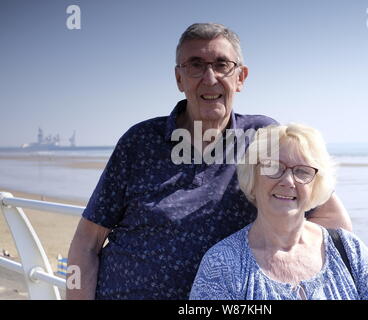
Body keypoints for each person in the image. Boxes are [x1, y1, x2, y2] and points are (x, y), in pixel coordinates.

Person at [67, 23, 352, 300]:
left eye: (221, 64)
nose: (210, 77)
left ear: (241, 77)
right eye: (195, 65)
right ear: (179, 78)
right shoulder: (139, 141)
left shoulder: (262, 137)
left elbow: (331, 219)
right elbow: (86, 242)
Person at [189, 124, 368, 300]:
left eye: (302, 171)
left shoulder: (351, 250)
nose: (288, 181)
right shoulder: (221, 265)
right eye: (273, 166)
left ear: (316, 185)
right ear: (252, 176)